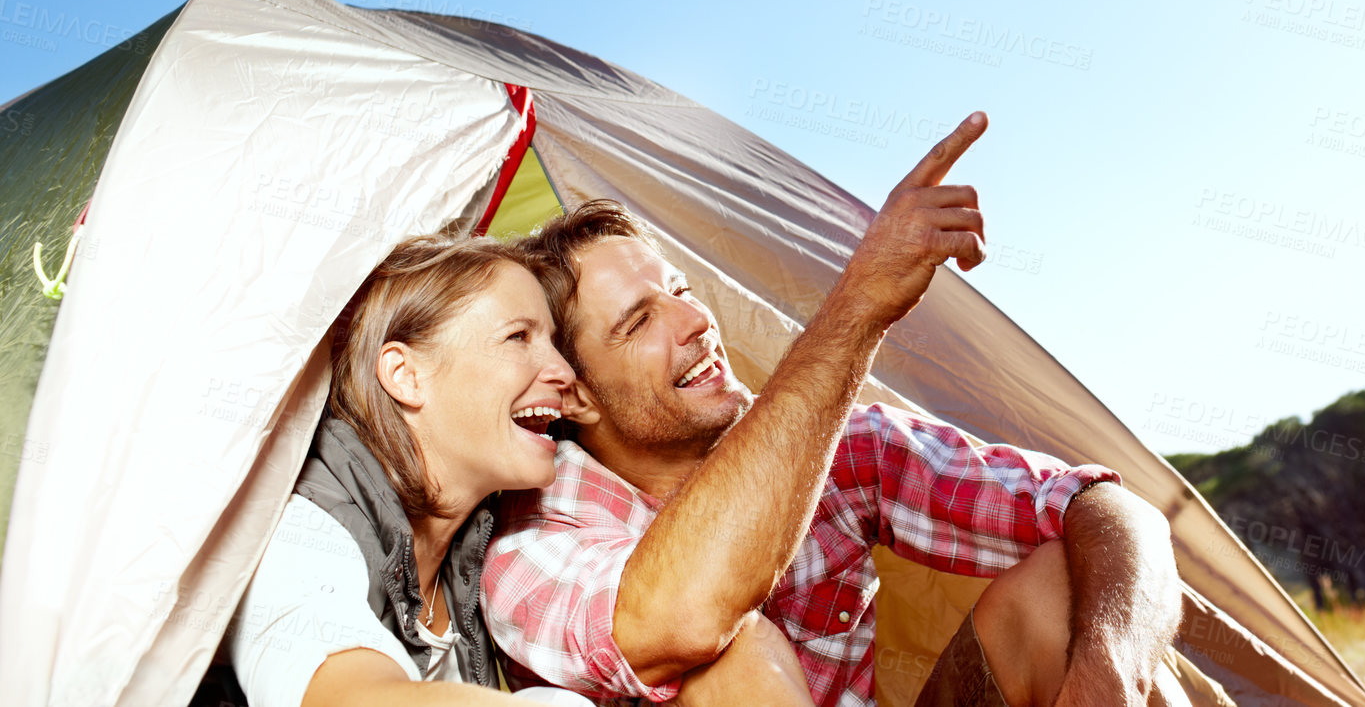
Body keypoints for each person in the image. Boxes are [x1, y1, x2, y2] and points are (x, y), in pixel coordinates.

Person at [485, 113, 1198, 707]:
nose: (695, 320)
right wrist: (859, 305)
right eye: (638, 321)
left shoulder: (837, 450)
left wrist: (1112, 669)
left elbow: (1102, 506)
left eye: (680, 288)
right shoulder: (535, 546)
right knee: (727, 657)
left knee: (1071, 590)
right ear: (571, 391)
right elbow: (678, 621)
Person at [224, 234, 599, 707]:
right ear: (405, 375)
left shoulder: (470, 554)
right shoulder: (302, 532)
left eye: (554, 343)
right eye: (518, 337)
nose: (564, 372)